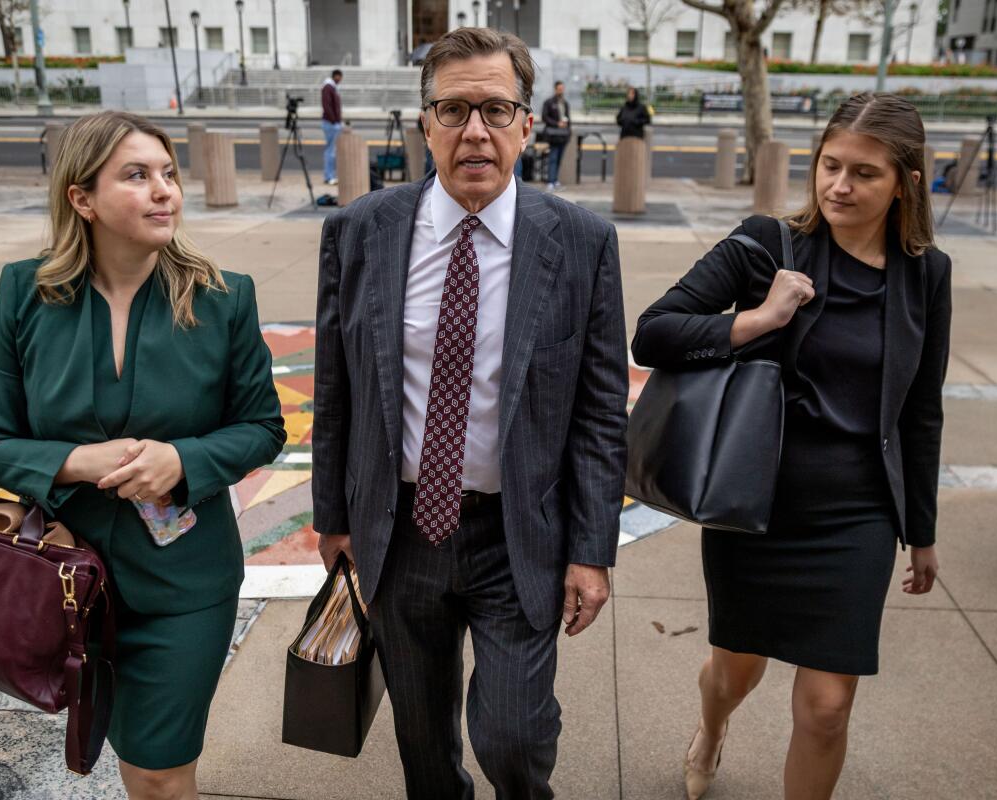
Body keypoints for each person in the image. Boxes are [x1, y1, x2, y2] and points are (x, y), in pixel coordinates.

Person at [312, 27, 628, 800]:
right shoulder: (359, 233)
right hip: (399, 527)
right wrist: (333, 517)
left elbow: (599, 413)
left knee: (513, 738)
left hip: (519, 532)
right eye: (452, 110)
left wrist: (592, 550)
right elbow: (334, 390)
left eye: (495, 108)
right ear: (425, 123)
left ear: (528, 123)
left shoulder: (582, 243)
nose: (474, 131)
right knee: (422, 744)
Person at [632, 93, 950, 800]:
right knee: (734, 670)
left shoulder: (926, 275)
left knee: (828, 707)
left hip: (858, 514)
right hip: (757, 505)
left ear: (906, 182)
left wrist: (920, 531)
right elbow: (653, 332)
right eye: (830, 165)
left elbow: (921, 410)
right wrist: (757, 319)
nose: (839, 185)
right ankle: (712, 728)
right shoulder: (764, 245)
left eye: (864, 173)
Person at [0, 111, 286, 800]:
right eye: (137, 176)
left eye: (168, 173)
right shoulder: (24, 293)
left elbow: (263, 426)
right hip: (62, 581)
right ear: (82, 198)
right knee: (109, 748)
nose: (164, 190)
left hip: (185, 583)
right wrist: (78, 462)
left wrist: (183, 460)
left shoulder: (224, 298)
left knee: (159, 770)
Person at [540, 80, 571, 190]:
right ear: (555, 89)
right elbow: (544, 117)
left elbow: (568, 119)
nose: (561, 91)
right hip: (553, 135)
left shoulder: (565, 103)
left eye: (562, 89)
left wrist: (568, 132)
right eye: (559, 89)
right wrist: (557, 123)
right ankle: (550, 181)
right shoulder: (549, 102)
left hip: (563, 135)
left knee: (559, 159)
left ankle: (555, 180)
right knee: (553, 157)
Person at [322, 69, 344, 185]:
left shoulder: (331, 87)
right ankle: (329, 176)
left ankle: (329, 175)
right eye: (340, 77)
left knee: (331, 150)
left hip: (332, 122)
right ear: (336, 76)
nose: (340, 80)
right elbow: (327, 105)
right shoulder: (328, 87)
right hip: (330, 123)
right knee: (330, 151)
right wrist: (334, 121)